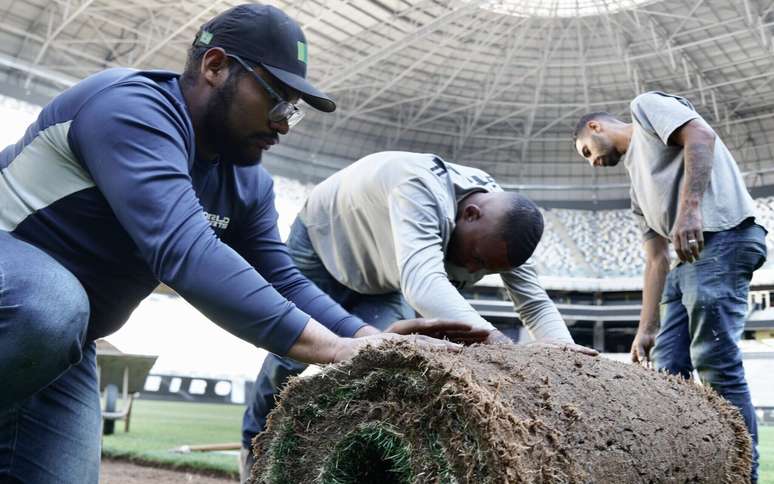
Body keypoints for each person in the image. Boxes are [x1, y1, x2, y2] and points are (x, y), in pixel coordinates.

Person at [0, 5, 464, 483]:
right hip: (27, 300)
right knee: (54, 303)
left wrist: (367, 339)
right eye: (277, 100)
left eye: (293, 111)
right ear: (215, 66)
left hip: (64, 342)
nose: (284, 124)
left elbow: (282, 279)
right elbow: (186, 251)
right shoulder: (132, 108)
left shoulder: (247, 184)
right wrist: (333, 350)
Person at [241, 151, 596, 474]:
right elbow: (423, 284)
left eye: (488, 268)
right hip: (323, 245)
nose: (475, 270)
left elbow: (533, 302)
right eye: (478, 260)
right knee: (289, 358)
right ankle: (253, 450)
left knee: (373, 360)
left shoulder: (505, 227)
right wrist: (502, 348)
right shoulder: (418, 184)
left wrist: (563, 356)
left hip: (383, 279)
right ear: (470, 214)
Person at [573, 91, 765, 483]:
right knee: (668, 373)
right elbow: (656, 259)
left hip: (723, 236)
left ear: (596, 127)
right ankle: (688, 470)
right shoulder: (635, 186)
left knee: (716, 362)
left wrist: (690, 208)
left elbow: (700, 134)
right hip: (686, 261)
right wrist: (645, 328)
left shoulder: (644, 108)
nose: (593, 163)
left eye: (586, 151)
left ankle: (743, 474)